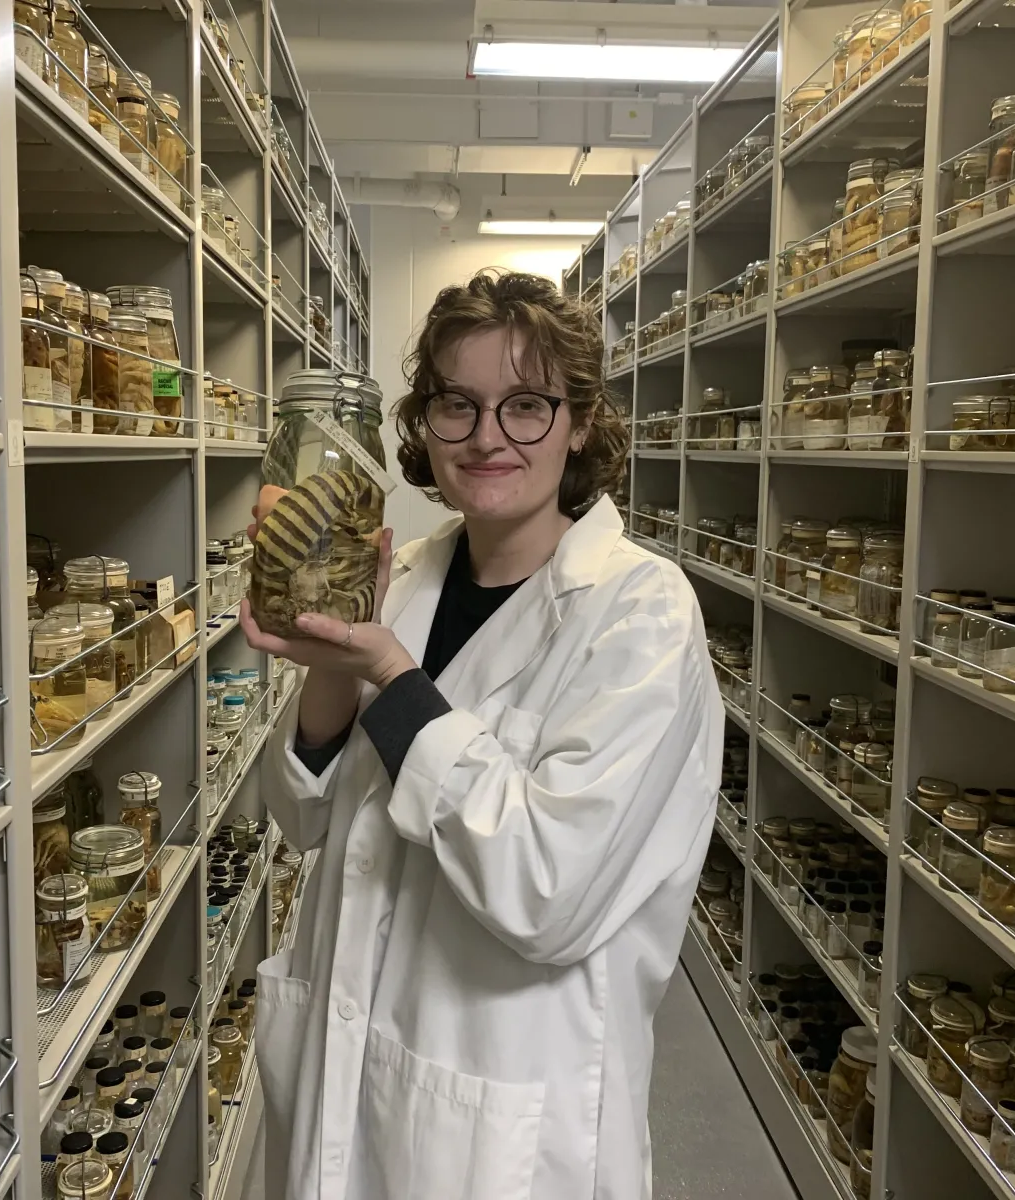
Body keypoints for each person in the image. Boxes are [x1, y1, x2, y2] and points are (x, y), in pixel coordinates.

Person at [240, 269, 723, 1200]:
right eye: (456, 405)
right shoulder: (401, 576)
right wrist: (331, 660)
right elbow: (302, 819)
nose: (488, 436)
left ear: (579, 422)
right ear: (423, 425)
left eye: (527, 405)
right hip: (347, 1071)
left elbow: (548, 890)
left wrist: (389, 674)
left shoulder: (641, 613)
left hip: (504, 1118)